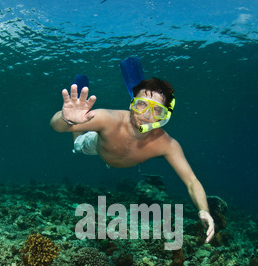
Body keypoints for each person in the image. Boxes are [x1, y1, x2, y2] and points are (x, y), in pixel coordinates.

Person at [50, 77, 215, 243]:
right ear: (131, 104)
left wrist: (204, 210)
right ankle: (79, 118)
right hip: (96, 147)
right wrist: (66, 119)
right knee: (78, 144)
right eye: (141, 104)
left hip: (117, 156)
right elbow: (56, 127)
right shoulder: (108, 120)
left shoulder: (166, 144)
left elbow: (192, 181)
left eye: (157, 110)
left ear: (165, 116)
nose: (146, 115)